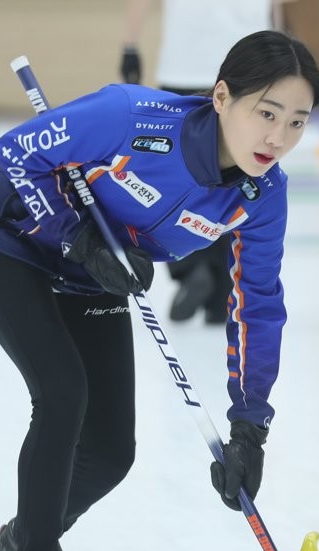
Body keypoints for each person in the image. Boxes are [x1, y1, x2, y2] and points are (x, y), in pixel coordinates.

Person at [0, 30, 319, 551]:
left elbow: (257, 306)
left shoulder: (264, 195)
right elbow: (18, 150)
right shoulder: (129, 116)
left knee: (110, 452)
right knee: (63, 390)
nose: (277, 138)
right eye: (266, 114)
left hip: (93, 276)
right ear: (221, 97)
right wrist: (75, 235)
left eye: (297, 122)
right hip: (10, 243)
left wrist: (249, 425)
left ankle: (25, 538)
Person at [120, 0, 279, 323]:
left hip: (184, 66)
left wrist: (131, 45)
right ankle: (223, 289)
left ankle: (191, 267)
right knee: (239, 177)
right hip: (249, 69)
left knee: (180, 176)